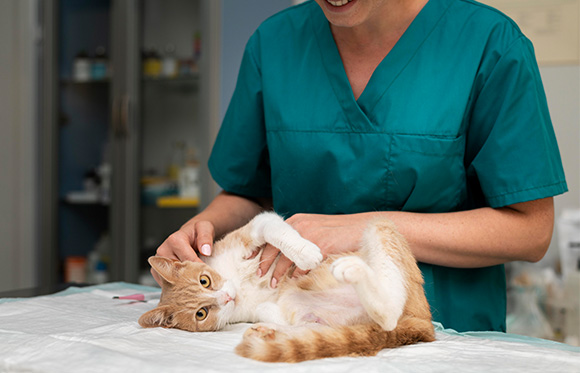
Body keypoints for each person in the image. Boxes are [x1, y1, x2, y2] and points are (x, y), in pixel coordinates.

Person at [154, 0, 567, 332]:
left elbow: (530, 230)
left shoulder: (488, 44)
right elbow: (251, 190)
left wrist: (362, 228)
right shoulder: (273, 43)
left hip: (437, 332)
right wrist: (203, 229)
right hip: (298, 327)